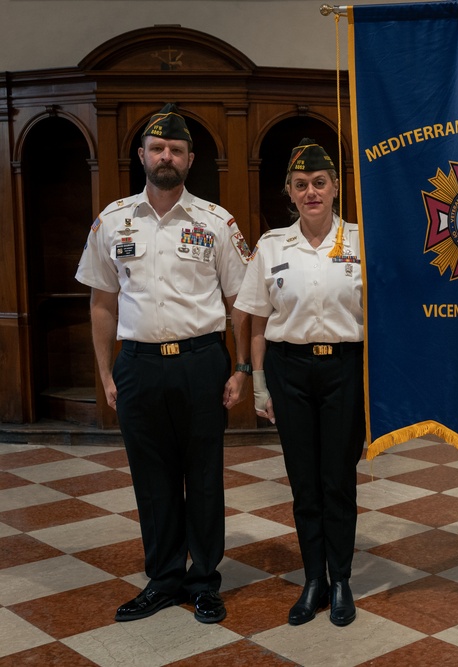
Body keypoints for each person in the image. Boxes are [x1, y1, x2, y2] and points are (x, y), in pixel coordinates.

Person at [76, 103, 252, 624]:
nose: (166, 156)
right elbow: (102, 303)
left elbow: (239, 302)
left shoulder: (216, 222)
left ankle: (204, 581)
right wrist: (107, 373)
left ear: (190, 158)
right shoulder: (113, 220)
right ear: (142, 155)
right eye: (158, 148)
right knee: (151, 477)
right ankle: (163, 576)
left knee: (202, 475)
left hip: (201, 363)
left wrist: (241, 369)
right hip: (138, 366)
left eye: (176, 149)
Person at [233, 139, 365, 627]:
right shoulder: (271, 246)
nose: (311, 192)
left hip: (345, 368)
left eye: (320, 183)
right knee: (304, 481)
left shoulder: (359, 241)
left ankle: (342, 579)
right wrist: (261, 385)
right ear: (289, 192)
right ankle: (314, 578)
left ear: (335, 188)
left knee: (338, 478)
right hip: (289, 371)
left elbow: (380, 317)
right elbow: (258, 322)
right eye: (301, 184)